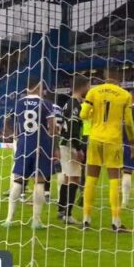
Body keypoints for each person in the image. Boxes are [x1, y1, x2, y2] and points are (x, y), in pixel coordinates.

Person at [80, 66, 134, 232]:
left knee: (91, 179)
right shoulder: (125, 95)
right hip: (113, 141)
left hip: (95, 138)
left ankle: (86, 220)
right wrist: (132, 141)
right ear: (118, 78)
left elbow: (83, 115)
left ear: (104, 77)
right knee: (114, 180)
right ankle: (116, 222)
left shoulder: (93, 92)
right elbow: (129, 123)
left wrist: (93, 117)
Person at [3, 79, 56, 229]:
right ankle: (36, 221)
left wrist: (12, 133)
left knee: (18, 181)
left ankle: (9, 219)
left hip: (24, 143)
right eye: (42, 88)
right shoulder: (46, 104)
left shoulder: (19, 103)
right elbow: (52, 128)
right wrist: (52, 140)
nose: (44, 91)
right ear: (38, 88)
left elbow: (7, 119)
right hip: (41, 144)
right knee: (39, 182)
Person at [57, 75, 89, 224]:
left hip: (63, 142)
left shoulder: (67, 103)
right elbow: (73, 128)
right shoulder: (75, 105)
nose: (88, 89)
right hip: (70, 144)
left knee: (66, 177)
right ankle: (67, 215)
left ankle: (61, 209)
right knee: (74, 178)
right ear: (82, 86)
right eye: (88, 86)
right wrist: (78, 149)